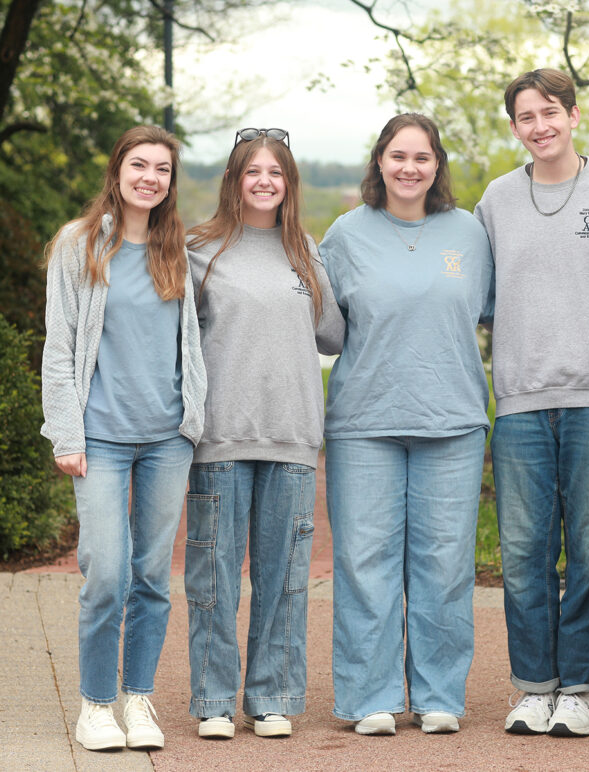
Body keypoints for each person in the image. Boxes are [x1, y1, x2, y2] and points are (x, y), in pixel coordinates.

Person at [473, 68, 589, 737]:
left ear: (574, 115)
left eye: (549, 112)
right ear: (514, 126)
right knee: (522, 552)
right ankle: (532, 687)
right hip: (518, 400)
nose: (539, 126)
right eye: (525, 117)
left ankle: (577, 687)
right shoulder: (495, 199)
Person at [318, 113, 494, 736]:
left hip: (453, 421)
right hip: (365, 421)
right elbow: (319, 325)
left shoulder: (470, 235)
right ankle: (371, 698)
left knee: (444, 563)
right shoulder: (344, 235)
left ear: (437, 165)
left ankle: (439, 694)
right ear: (379, 162)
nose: (409, 168)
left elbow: (501, 312)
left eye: (422, 157)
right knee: (365, 561)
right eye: (397, 156)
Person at [40, 124, 205, 752]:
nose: (150, 178)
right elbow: (60, 348)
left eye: (162, 169)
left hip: (167, 439)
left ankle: (138, 699)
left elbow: (189, 344)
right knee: (105, 573)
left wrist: (193, 422)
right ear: (118, 170)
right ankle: (96, 705)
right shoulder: (80, 245)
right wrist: (65, 433)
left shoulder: (177, 251)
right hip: (100, 439)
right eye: (140, 165)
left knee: (152, 577)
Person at [183, 128, 344, 740]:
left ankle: (272, 696)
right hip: (221, 437)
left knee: (284, 578)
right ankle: (215, 701)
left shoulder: (303, 249)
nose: (264, 182)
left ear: (289, 184)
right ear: (233, 180)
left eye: (276, 173)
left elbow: (332, 335)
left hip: (293, 436)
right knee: (215, 577)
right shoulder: (201, 250)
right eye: (253, 171)